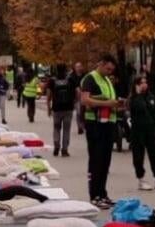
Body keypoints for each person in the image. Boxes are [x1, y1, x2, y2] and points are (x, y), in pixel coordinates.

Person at [79, 54, 124, 208]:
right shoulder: (90, 78)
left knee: (105, 161)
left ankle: (103, 194)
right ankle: (94, 195)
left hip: (108, 123)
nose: (110, 72)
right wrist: (107, 103)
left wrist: (117, 104)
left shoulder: (107, 80)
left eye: (112, 70)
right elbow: (85, 100)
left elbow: (109, 101)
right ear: (102, 64)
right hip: (95, 123)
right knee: (96, 160)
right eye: (108, 68)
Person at [128, 73, 155, 191]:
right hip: (138, 131)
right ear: (136, 85)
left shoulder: (151, 97)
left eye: (145, 82)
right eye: (141, 83)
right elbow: (139, 107)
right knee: (139, 156)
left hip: (151, 130)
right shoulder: (134, 99)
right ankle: (141, 180)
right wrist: (138, 94)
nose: (144, 85)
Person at [46, 63, 77, 157]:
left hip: (57, 108)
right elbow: (76, 92)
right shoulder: (70, 79)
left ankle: (56, 145)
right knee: (67, 129)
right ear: (65, 69)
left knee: (56, 128)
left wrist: (49, 107)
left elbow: (48, 95)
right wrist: (74, 103)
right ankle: (64, 149)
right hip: (68, 108)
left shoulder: (52, 80)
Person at [71, 61, 87, 139]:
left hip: (84, 95)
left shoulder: (85, 76)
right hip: (76, 97)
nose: (79, 68)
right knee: (79, 112)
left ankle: (83, 124)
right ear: (75, 68)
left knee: (84, 111)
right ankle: (80, 127)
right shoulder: (72, 76)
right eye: (77, 67)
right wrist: (75, 89)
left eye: (80, 66)